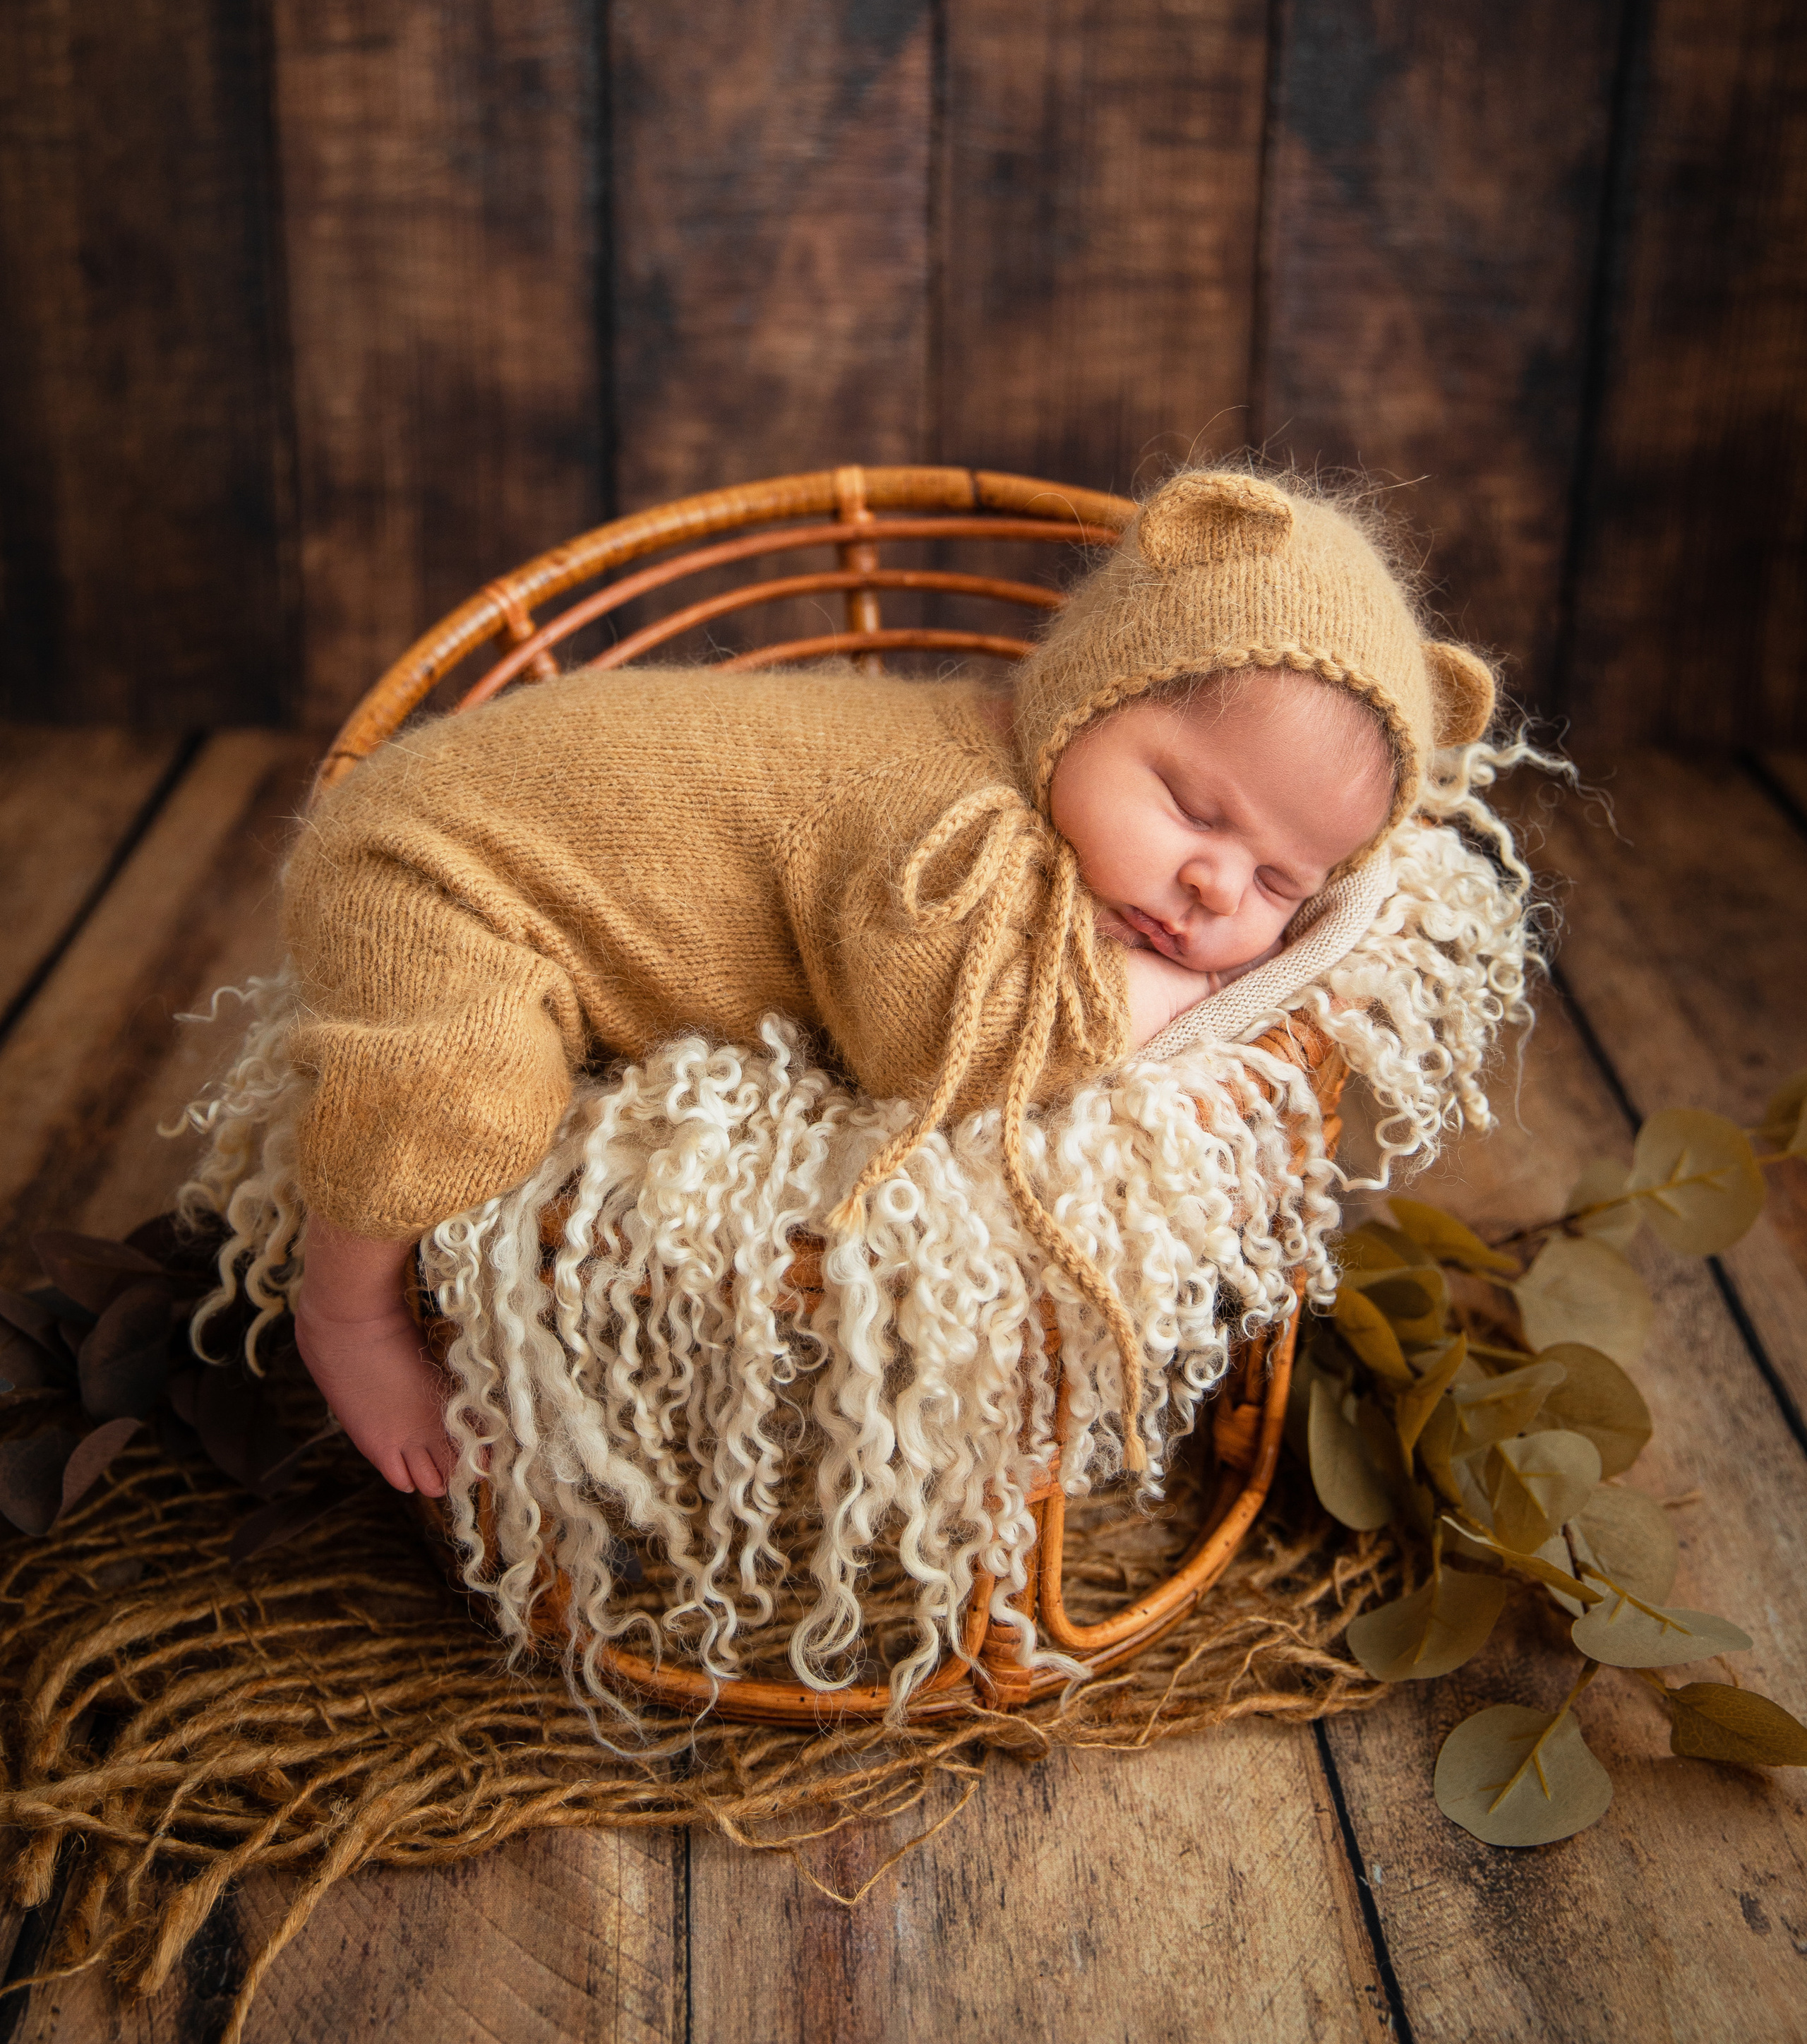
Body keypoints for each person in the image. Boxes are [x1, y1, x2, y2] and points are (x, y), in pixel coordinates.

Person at [280, 466, 1494, 1498]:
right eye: (1189, 806)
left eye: (1282, 881)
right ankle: (348, 1309)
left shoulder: (1057, 803)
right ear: (1082, 699)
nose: (1214, 889)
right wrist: (1166, 999)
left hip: (516, 855)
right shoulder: (948, 826)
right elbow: (946, 1046)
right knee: (464, 1098)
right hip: (437, 869)